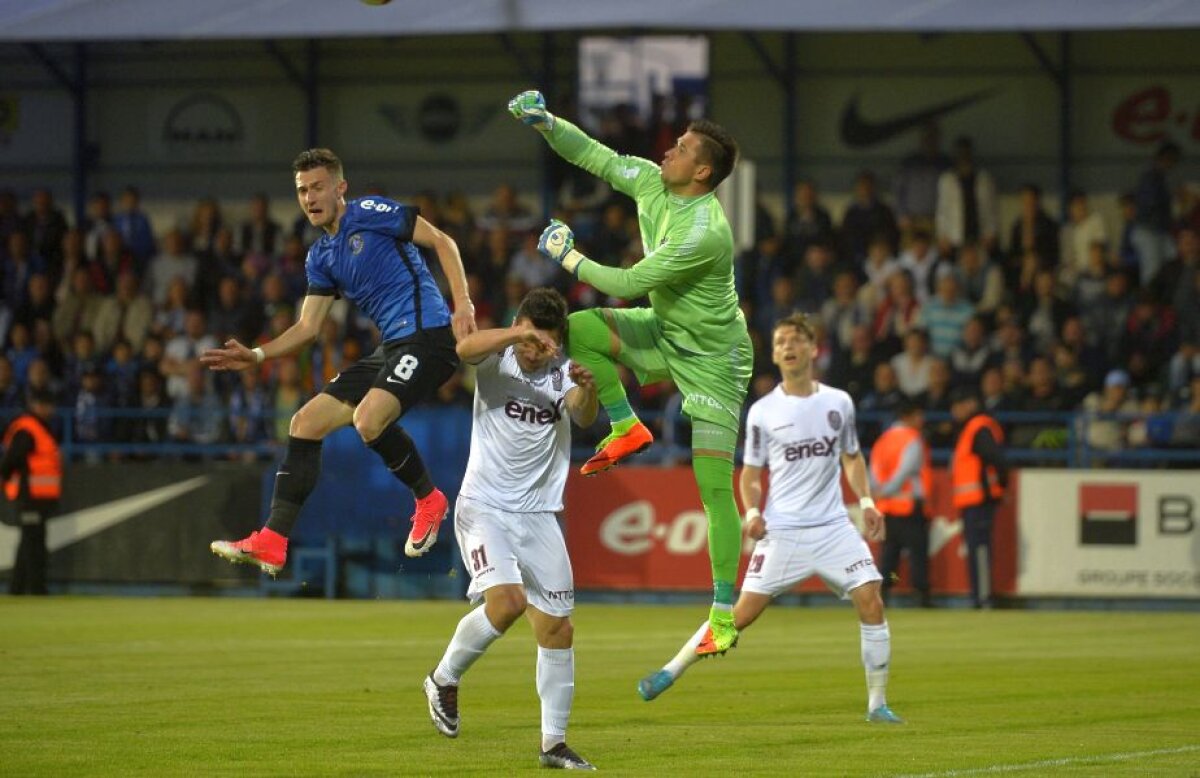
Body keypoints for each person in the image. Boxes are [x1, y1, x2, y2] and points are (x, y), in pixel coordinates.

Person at [509, 90, 753, 655]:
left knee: (714, 489)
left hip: (714, 360)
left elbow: (629, 283)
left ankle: (722, 613)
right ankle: (626, 424)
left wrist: (568, 256)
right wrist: (547, 123)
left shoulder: (705, 231)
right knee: (582, 330)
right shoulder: (650, 181)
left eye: (682, 148)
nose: (669, 151)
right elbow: (593, 155)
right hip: (665, 330)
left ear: (703, 172)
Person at [203, 148, 476, 574]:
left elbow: (443, 242)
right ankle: (273, 540)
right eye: (302, 191)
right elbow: (307, 327)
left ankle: (429, 499)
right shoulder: (320, 256)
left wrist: (463, 304)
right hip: (391, 348)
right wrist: (257, 354)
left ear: (340, 188)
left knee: (368, 420)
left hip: (429, 337)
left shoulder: (370, 211)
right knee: (304, 423)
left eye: (317, 187)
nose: (309, 197)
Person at [636, 313, 902, 725]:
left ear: (813, 349)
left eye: (795, 339)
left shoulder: (838, 403)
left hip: (833, 527)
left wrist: (867, 501)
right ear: (775, 355)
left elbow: (852, 457)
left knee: (871, 600)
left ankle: (877, 705)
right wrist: (754, 512)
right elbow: (751, 474)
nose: (787, 347)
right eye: (780, 342)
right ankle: (670, 670)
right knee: (737, 618)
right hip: (784, 531)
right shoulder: (763, 412)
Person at [423, 288, 598, 770]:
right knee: (507, 603)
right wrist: (518, 333)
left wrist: (588, 388)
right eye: (527, 336)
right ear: (518, 325)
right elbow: (464, 348)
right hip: (485, 507)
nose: (532, 349)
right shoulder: (496, 358)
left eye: (543, 341)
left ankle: (553, 744)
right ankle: (443, 678)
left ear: (557, 342)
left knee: (558, 628)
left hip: (540, 516)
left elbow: (583, 415)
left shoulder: (562, 373)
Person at [949, 388, 1008, 609]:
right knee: (975, 549)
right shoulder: (972, 428)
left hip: (980, 500)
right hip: (971, 501)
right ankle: (978, 596)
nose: (954, 412)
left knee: (980, 549)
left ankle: (983, 598)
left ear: (970, 404)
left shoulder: (978, 428)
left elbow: (997, 459)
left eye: (957, 406)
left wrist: (1001, 486)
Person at [871, 401, 933, 607]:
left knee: (890, 555)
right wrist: (889, 489)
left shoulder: (883, 440)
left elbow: (874, 471)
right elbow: (905, 471)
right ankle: (921, 595)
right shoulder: (913, 439)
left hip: (888, 509)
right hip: (910, 507)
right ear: (908, 417)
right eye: (918, 415)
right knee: (917, 554)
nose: (922, 420)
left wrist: (880, 492)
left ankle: (886, 591)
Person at [1, 390, 62, 595]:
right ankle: (37, 588)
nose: (49, 409)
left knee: (29, 541)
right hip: (29, 496)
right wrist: (6, 478)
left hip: (40, 496)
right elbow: (11, 459)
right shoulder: (28, 429)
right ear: (35, 405)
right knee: (34, 544)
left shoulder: (40, 428)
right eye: (46, 404)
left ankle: (17, 588)